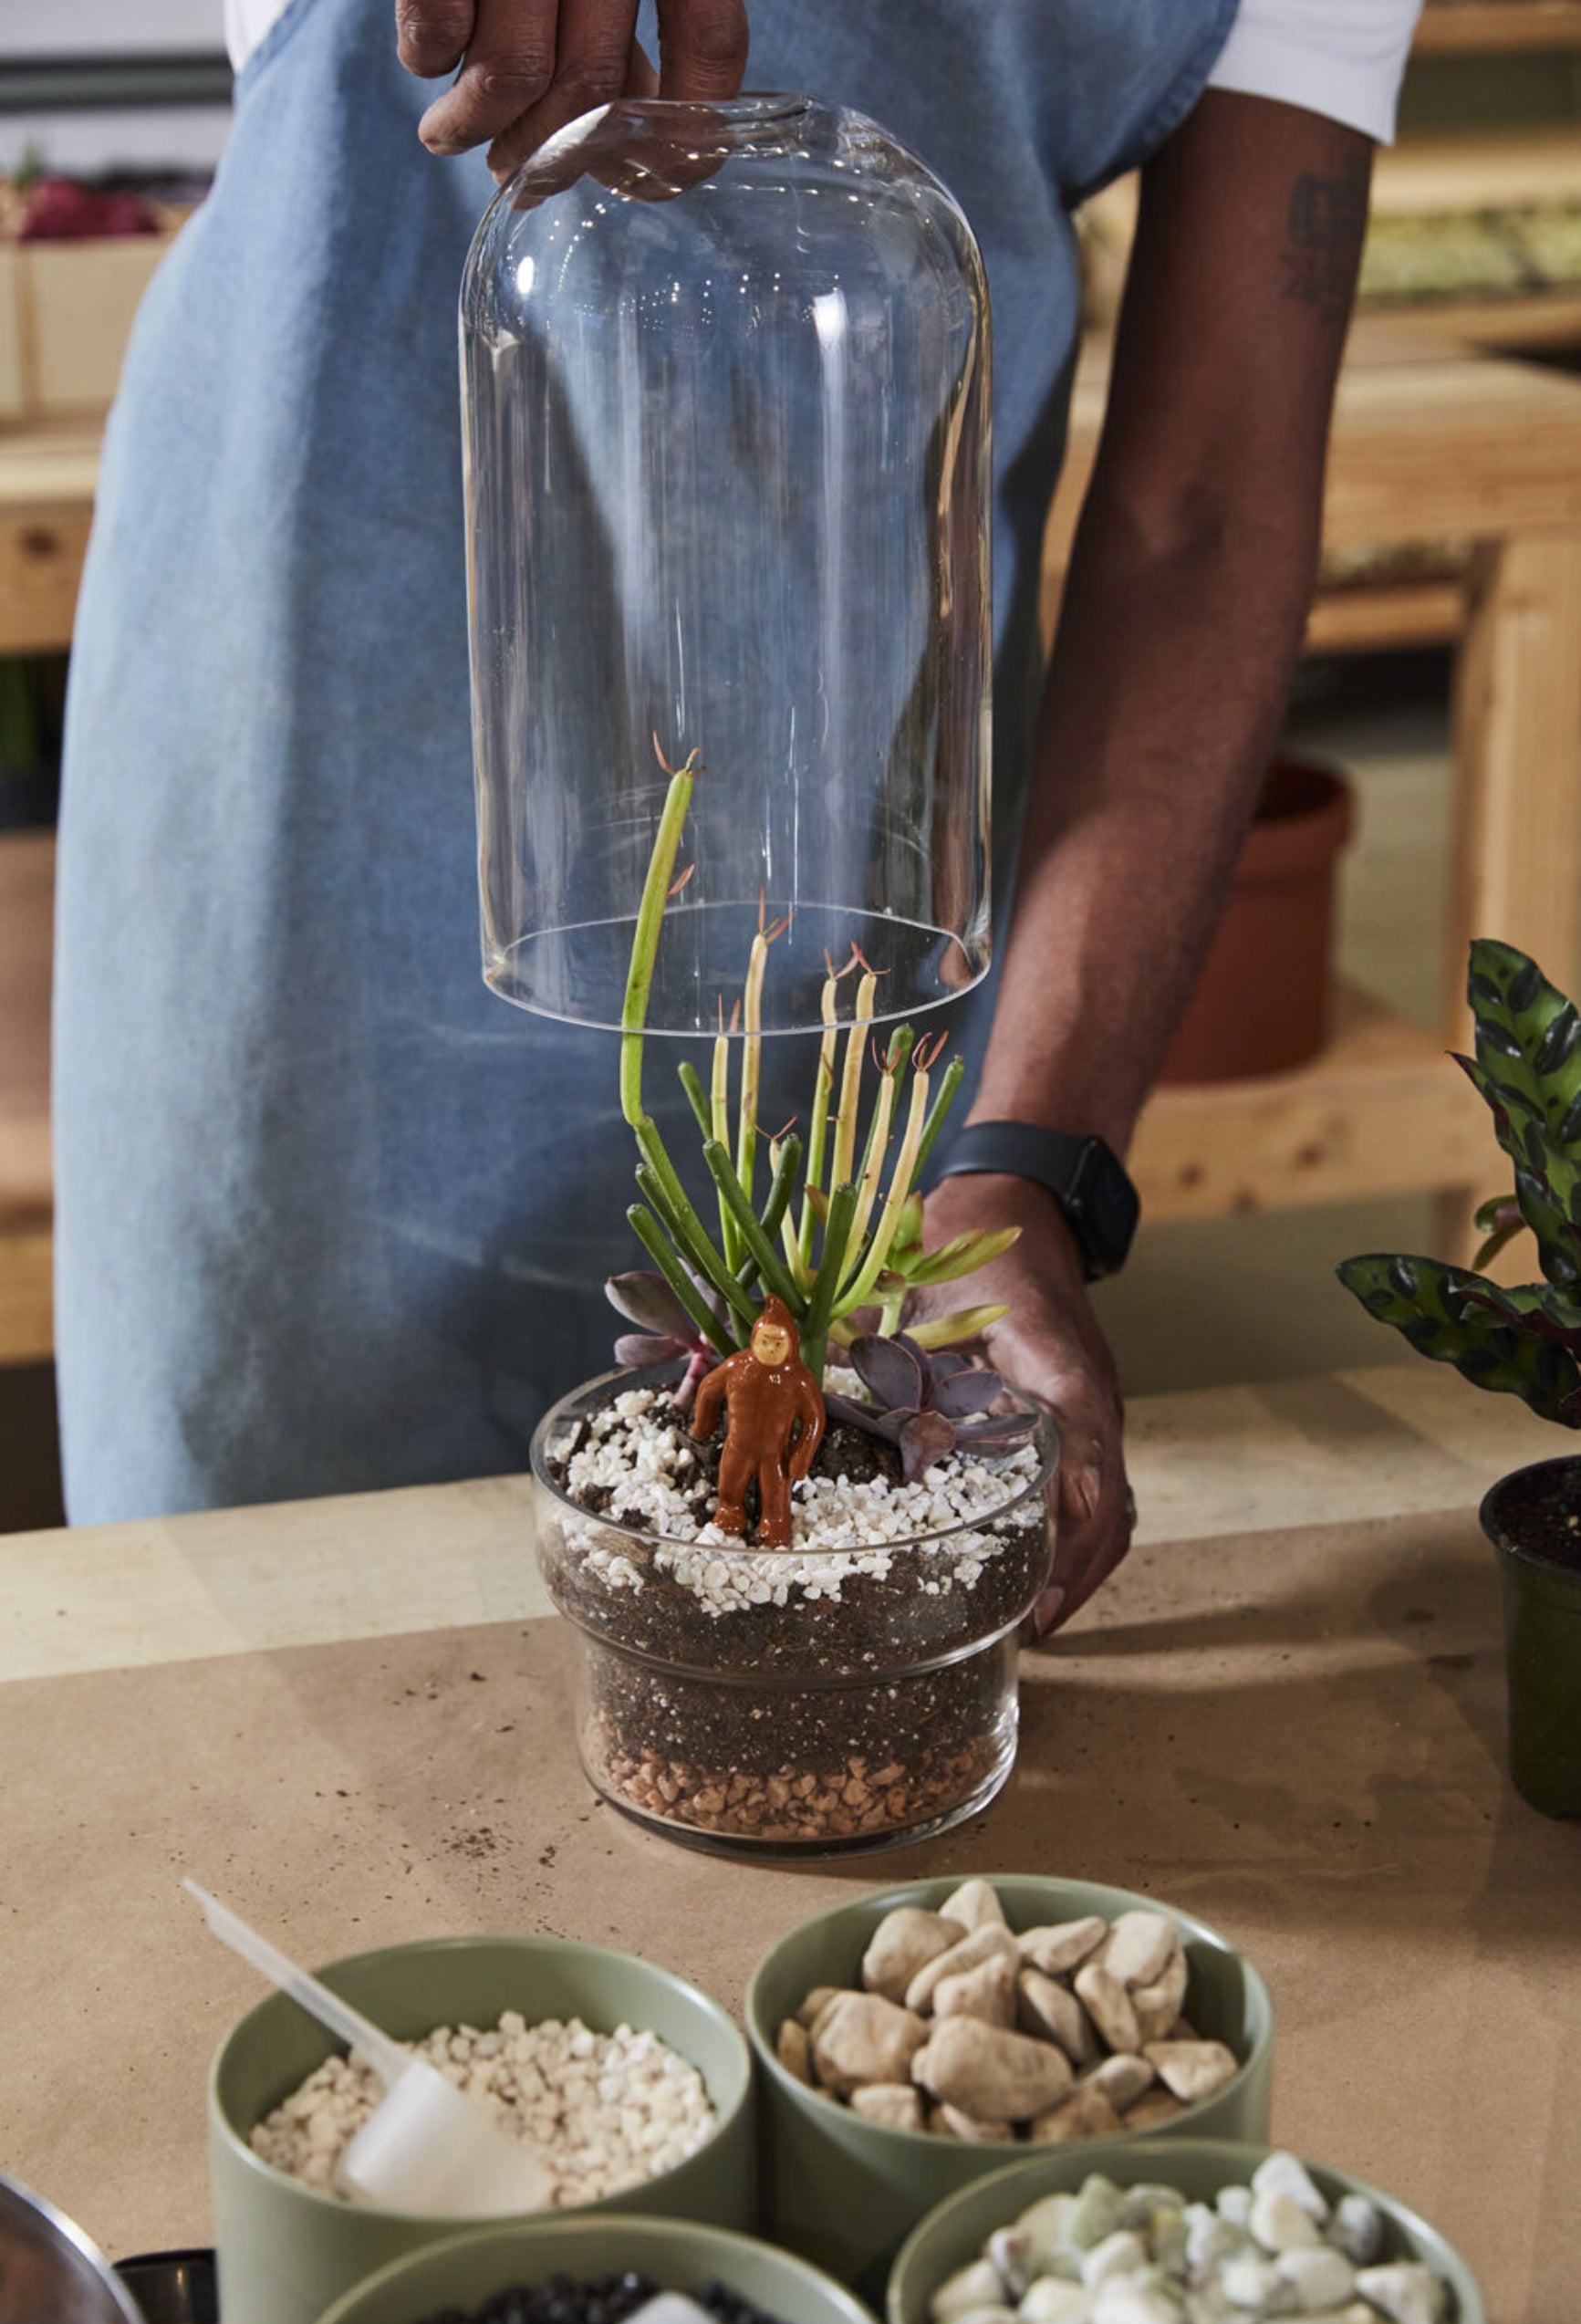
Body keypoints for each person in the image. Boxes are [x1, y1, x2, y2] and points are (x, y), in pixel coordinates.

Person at [54, 0, 1419, 1640]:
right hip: (316, 696)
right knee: (273, 1635)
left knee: (798, 1594)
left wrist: (1026, 1166)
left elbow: (1204, 505)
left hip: (842, 803)